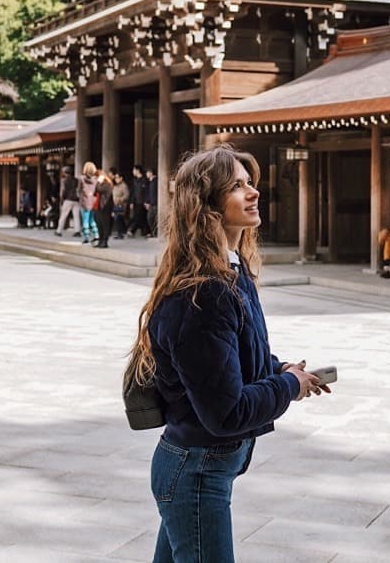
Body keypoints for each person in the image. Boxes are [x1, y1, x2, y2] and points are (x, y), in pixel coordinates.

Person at [126, 146, 332, 562]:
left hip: (201, 468)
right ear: (207, 206)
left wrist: (281, 369)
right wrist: (288, 386)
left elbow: (235, 358)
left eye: (250, 182)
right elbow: (226, 413)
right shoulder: (205, 292)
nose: (253, 192)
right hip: (196, 471)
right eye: (237, 186)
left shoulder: (233, 273)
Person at [55, 166, 81, 237]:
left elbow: (64, 191)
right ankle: (77, 231)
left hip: (68, 199)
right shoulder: (76, 180)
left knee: (63, 215)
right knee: (76, 216)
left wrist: (62, 200)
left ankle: (59, 231)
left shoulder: (64, 180)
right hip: (76, 199)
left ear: (65, 172)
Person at [78, 161, 100, 245]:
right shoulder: (96, 179)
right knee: (92, 219)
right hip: (93, 201)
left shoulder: (81, 178)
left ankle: (86, 237)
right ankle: (96, 234)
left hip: (85, 200)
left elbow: (79, 190)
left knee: (85, 219)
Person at [127, 163, 150, 237]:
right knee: (142, 218)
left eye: (134, 170)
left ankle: (132, 230)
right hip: (136, 202)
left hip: (142, 202)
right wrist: (131, 202)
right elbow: (133, 192)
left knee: (137, 217)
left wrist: (147, 201)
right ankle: (147, 232)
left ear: (138, 170)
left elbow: (147, 191)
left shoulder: (144, 180)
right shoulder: (135, 181)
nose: (133, 172)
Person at [93, 170, 114, 248]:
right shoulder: (99, 184)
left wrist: (98, 182)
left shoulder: (107, 184)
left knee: (105, 224)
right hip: (98, 206)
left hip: (105, 206)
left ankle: (105, 241)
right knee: (99, 224)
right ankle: (100, 240)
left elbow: (99, 189)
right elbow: (94, 191)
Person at [111, 171, 130, 239]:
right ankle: (121, 232)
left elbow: (126, 195)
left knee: (119, 218)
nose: (116, 179)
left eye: (117, 178)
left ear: (121, 178)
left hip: (121, 205)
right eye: (115, 178)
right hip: (115, 205)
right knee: (117, 219)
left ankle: (121, 233)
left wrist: (119, 199)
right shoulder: (115, 186)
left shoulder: (124, 186)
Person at [145, 166, 158, 238]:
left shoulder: (156, 181)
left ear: (150, 173)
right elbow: (148, 193)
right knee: (149, 218)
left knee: (155, 218)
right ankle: (153, 232)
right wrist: (147, 202)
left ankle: (155, 233)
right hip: (151, 204)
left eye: (147, 172)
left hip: (156, 203)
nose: (146, 174)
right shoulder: (149, 182)